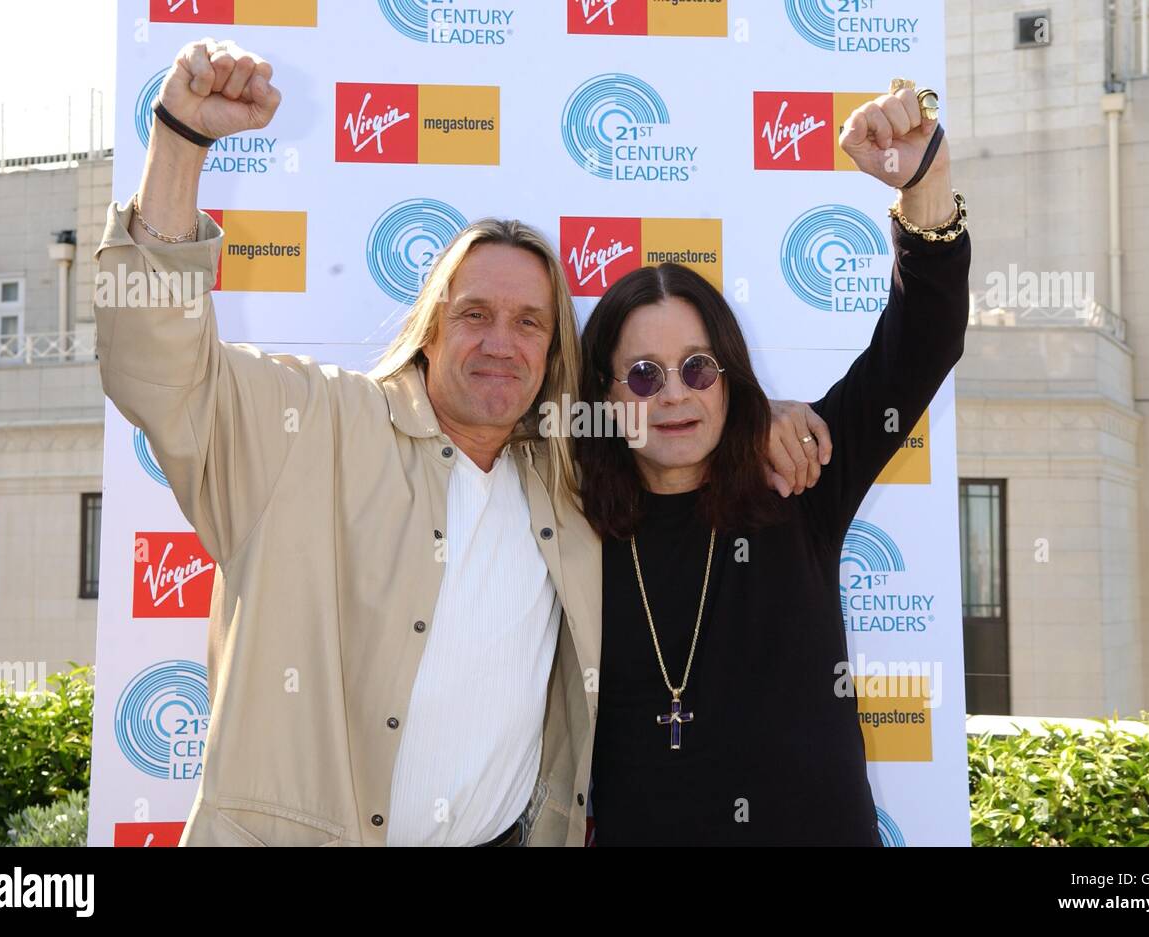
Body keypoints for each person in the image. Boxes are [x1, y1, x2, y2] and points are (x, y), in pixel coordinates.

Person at [95, 37, 829, 846]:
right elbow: (157, 371)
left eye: (529, 323)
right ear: (430, 330)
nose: (500, 343)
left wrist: (766, 415)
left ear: (554, 355)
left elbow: (680, 423)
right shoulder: (311, 426)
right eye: (475, 313)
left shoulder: (568, 477)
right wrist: (179, 143)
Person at [576, 84, 971, 845]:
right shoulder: (564, 520)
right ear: (604, 391)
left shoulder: (799, 479)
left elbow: (922, 339)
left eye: (697, 368)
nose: (674, 396)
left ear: (730, 377)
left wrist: (925, 183)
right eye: (644, 374)